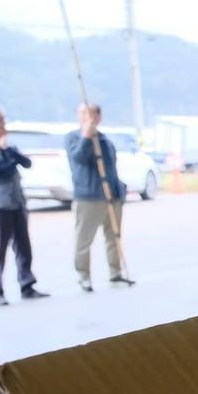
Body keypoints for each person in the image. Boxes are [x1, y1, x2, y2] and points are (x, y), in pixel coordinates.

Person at [0, 107, 47, 305]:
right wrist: (11, 159)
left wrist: (8, 150)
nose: (2, 123)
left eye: (3, 119)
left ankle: (27, 285)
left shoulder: (6, 144)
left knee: (23, 245)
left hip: (16, 201)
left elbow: (27, 163)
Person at [66, 103, 132, 291]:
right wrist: (86, 136)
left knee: (114, 237)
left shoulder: (104, 140)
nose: (88, 118)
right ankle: (83, 275)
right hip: (88, 198)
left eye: (91, 114)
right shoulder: (73, 138)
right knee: (84, 239)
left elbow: (111, 168)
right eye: (83, 114)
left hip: (111, 196)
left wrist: (120, 191)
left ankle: (115, 273)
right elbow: (79, 158)